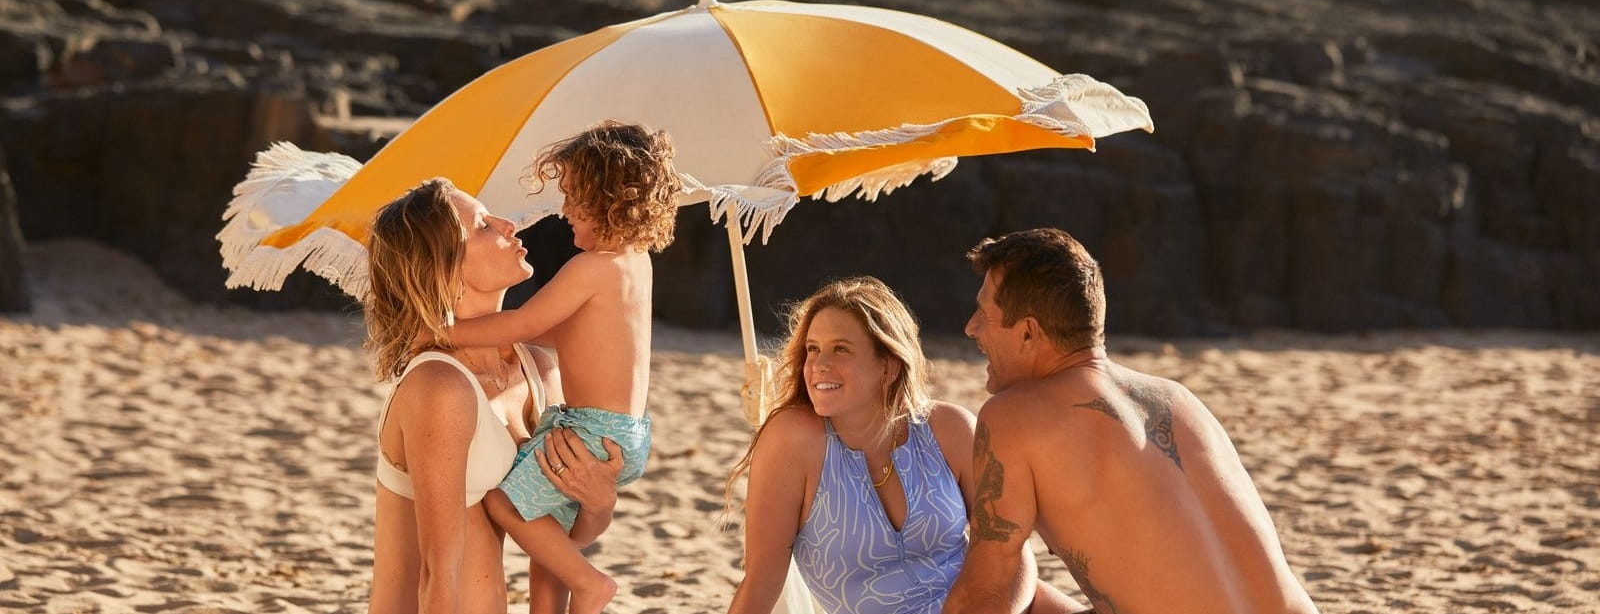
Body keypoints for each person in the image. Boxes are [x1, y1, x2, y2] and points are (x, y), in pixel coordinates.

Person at [942, 228, 1321, 614]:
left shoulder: (1013, 415)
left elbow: (982, 595)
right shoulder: (1177, 399)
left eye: (984, 315)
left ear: (1027, 332)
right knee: (1037, 598)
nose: (971, 328)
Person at [724, 276, 1078, 614]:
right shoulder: (792, 440)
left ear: (888, 365)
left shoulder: (949, 428)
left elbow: (1011, 552)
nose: (819, 365)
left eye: (840, 349)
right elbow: (762, 581)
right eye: (813, 349)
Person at [444, 120, 681, 614]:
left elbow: (525, 323)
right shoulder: (637, 263)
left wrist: (440, 333)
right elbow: (573, 336)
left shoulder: (590, 267)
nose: (565, 208)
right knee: (549, 545)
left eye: (573, 195)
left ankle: (592, 588)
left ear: (611, 198)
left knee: (503, 505)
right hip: (626, 431)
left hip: (593, 431)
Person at [364, 177, 625, 614]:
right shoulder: (440, 386)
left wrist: (600, 500)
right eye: (483, 225)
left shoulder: (539, 369)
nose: (509, 225)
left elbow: (563, 537)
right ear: (443, 266)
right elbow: (437, 572)